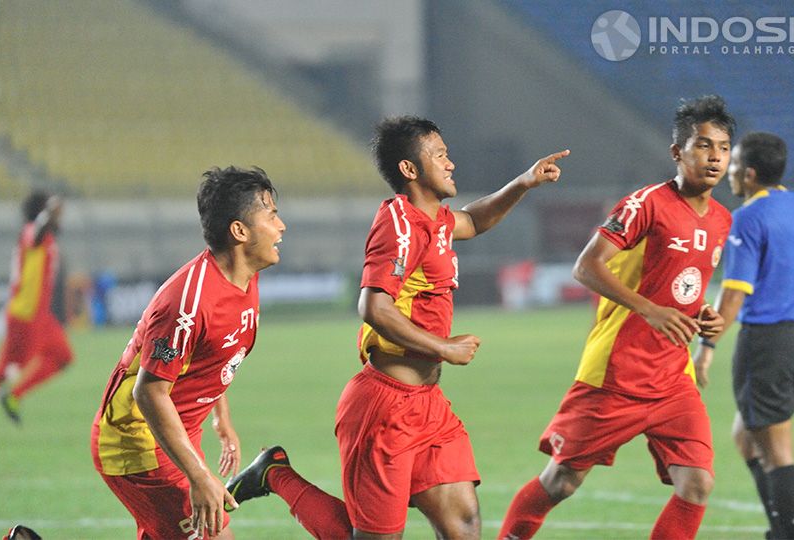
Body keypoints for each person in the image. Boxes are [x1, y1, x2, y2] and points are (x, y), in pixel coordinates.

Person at [224, 115, 568, 539]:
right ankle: (275, 475)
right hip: (384, 408)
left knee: (463, 525)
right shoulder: (399, 224)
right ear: (410, 169)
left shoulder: (436, 221)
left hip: (426, 405)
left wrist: (524, 182)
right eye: (439, 154)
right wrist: (444, 347)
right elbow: (373, 306)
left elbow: (474, 221)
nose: (451, 163)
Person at [498, 95, 733, 540]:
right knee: (561, 482)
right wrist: (649, 309)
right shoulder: (646, 203)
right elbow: (586, 266)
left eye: (722, 147)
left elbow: (680, 285)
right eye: (703, 145)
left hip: (672, 378)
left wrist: (703, 316)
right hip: (617, 374)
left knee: (697, 482)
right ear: (677, 152)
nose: (715, 157)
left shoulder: (721, 219)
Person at [90, 166, 286, 539]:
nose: (282, 227)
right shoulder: (187, 303)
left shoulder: (244, 277)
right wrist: (199, 475)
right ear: (239, 231)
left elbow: (213, 357)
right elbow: (148, 392)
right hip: (138, 442)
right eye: (272, 215)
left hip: (177, 430)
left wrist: (220, 418)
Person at [693, 133, 794, 539]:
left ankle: (792, 535)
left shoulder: (747, 217)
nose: (725, 170)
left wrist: (706, 347)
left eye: (732, 164)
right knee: (746, 438)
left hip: (766, 346)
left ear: (748, 174)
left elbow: (733, 293)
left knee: (778, 454)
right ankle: (779, 530)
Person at [0, 190, 73, 442]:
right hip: (25, 317)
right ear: (43, 212)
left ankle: (14, 395)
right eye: (53, 212)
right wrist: (48, 214)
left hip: (40, 316)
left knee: (63, 356)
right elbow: (35, 234)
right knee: (4, 372)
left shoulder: (43, 236)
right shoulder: (32, 231)